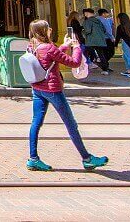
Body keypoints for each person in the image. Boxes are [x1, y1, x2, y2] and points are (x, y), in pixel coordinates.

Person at [25, 19, 109, 172]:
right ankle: (87, 158)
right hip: (53, 90)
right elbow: (75, 62)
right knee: (71, 124)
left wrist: (64, 46)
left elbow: (51, 57)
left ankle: (33, 158)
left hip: (37, 89)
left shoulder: (32, 47)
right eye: (48, 28)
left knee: (36, 123)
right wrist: (76, 47)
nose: (50, 29)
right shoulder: (49, 47)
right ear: (43, 31)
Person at [81, 8, 110, 74]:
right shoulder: (98, 20)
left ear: (86, 13)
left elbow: (88, 30)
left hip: (91, 41)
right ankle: (105, 69)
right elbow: (104, 30)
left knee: (86, 53)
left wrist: (82, 32)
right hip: (100, 41)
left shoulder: (87, 21)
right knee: (101, 54)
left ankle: (85, 66)